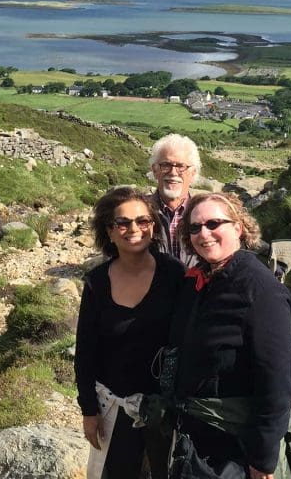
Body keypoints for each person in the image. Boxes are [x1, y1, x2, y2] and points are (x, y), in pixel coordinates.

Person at [168, 192, 291, 479]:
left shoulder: (261, 291)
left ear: (238, 227)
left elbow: (276, 381)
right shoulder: (197, 282)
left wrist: (263, 460)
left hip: (237, 445)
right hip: (198, 437)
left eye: (214, 223)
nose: (204, 234)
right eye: (195, 228)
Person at [75, 186, 185, 479]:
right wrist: (89, 411)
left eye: (142, 221)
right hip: (115, 406)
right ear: (109, 232)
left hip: (165, 408)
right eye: (122, 223)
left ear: (153, 226)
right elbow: (85, 352)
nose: (133, 229)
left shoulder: (174, 275)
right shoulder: (96, 283)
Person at [148, 134, 201, 268]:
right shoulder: (140, 213)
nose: (173, 172)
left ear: (193, 172)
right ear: (155, 170)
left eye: (180, 166)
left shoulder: (205, 214)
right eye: (165, 165)